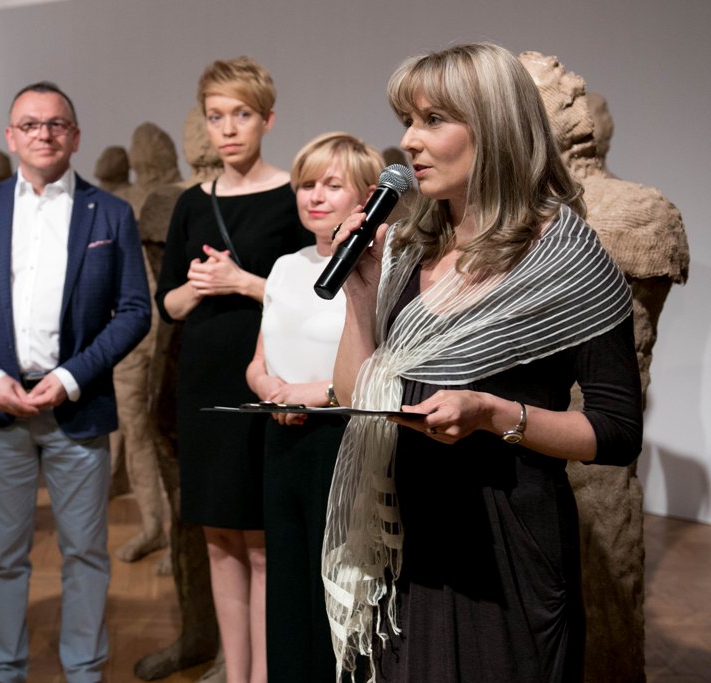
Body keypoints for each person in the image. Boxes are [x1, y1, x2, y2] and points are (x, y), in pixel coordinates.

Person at [324, 43, 644, 682]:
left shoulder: (566, 258)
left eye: (433, 120)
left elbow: (616, 431)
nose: (409, 142)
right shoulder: (410, 248)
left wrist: (495, 414)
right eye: (406, 121)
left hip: (506, 545)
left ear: (495, 128)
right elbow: (356, 399)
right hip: (406, 536)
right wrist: (360, 298)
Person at [0, 81, 151, 683]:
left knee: (85, 553)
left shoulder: (110, 213)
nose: (43, 134)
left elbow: (135, 311)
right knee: (3, 555)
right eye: (30, 124)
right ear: (11, 137)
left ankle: (83, 671)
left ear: (75, 136)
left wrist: (71, 376)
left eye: (56, 124)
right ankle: (5, 670)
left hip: (77, 408)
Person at [155, 56, 310, 683]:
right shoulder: (192, 203)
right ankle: (236, 673)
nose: (227, 128)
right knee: (218, 538)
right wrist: (196, 287)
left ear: (266, 119)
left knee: (263, 540)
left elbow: (313, 296)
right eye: (215, 116)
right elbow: (168, 304)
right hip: (202, 382)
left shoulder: (294, 195)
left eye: (240, 114)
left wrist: (241, 281)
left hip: (264, 378)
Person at [245, 132, 383, 683]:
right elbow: (258, 360)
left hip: (342, 443)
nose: (315, 196)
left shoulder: (380, 267)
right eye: (306, 185)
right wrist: (269, 388)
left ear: (367, 196)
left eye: (332, 184)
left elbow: (381, 367)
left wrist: (317, 394)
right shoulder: (286, 265)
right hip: (280, 439)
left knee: (338, 591)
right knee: (287, 588)